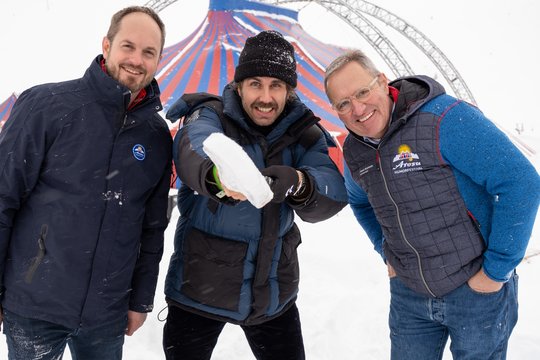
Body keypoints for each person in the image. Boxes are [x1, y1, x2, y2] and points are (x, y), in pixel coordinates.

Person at [324, 49, 540, 359]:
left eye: (363, 91)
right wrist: (386, 252)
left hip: (476, 291)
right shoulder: (356, 152)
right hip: (409, 296)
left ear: (382, 82)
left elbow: (521, 183)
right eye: (344, 104)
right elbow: (360, 203)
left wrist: (496, 272)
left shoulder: (444, 119)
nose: (358, 108)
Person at [162, 30, 348, 360]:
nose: (265, 96)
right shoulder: (210, 115)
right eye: (255, 84)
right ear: (239, 86)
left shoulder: (305, 134)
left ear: (289, 91)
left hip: (272, 294)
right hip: (198, 292)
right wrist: (218, 175)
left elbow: (331, 190)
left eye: (276, 85)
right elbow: (194, 146)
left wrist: (299, 183)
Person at [0, 6, 172, 360]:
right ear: (106, 45)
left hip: (106, 316)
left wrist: (140, 299)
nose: (136, 60)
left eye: (148, 52)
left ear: (158, 60)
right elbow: (3, 199)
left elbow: (153, 228)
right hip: (35, 305)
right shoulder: (46, 106)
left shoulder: (155, 135)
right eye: (128, 46)